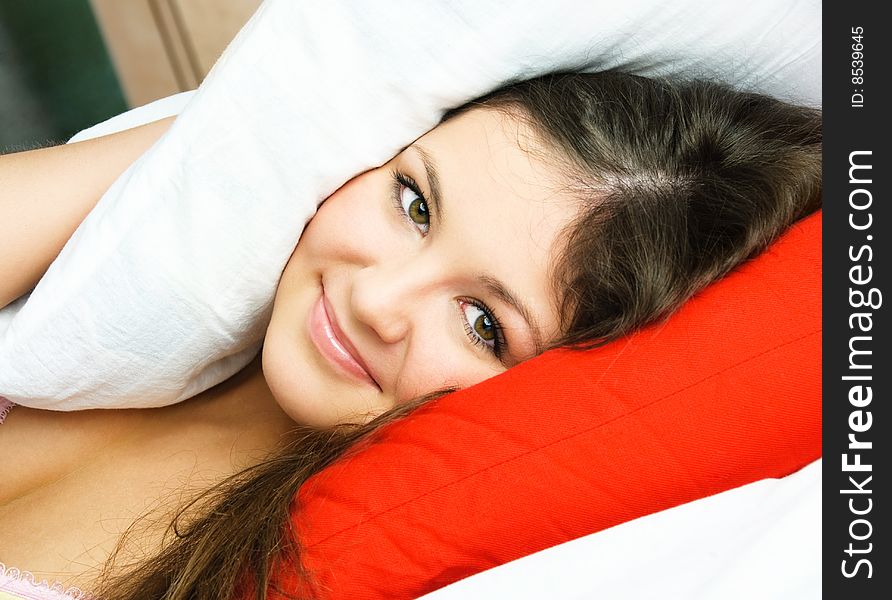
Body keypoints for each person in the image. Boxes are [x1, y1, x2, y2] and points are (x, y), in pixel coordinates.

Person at [0, 71, 821, 599]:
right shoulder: (123, 280)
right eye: (415, 204)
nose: (379, 300)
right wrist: (225, 136)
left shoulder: (283, 556)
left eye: (483, 325)